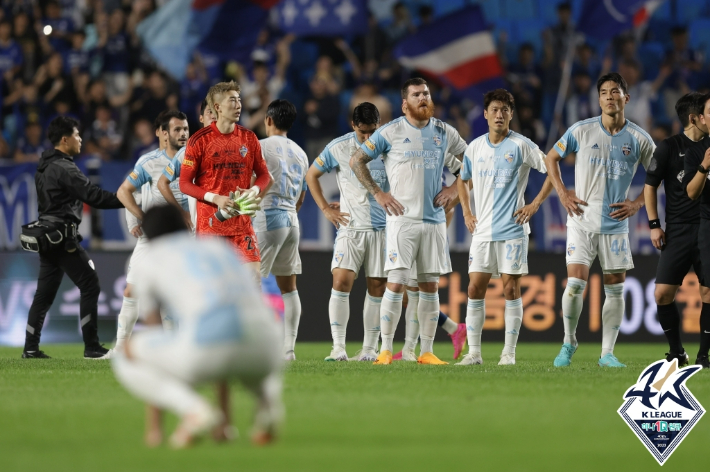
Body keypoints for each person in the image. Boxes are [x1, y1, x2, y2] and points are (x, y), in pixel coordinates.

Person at [111, 204, 283, 448]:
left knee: (129, 353)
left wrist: (154, 430)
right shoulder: (218, 248)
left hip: (211, 343)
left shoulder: (150, 259)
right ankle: (267, 406)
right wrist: (225, 424)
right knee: (240, 340)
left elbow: (154, 331)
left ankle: (194, 410)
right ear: (184, 224)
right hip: (268, 347)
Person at [350, 77, 467, 365]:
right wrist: (378, 194)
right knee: (397, 283)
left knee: (429, 286)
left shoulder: (445, 131)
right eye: (417, 94)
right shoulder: (390, 132)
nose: (424, 98)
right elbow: (356, 161)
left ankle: (426, 351)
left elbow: (475, 162)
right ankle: (386, 349)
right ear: (405, 104)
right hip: (402, 220)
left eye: (426, 93)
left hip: (434, 221)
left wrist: (454, 190)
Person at [545, 72, 655, 368]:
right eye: (604, 92)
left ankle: (607, 353)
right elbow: (550, 158)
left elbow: (660, 176)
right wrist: (563, 194)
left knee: (615, 288)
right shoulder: (581, 131)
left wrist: (636, 204)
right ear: (598, 99)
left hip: (616, 224)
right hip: (581, 219)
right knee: (575, 285)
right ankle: (569, 342)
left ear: (626, 98)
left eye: (615, 91)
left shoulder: (639, 139)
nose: (609, 96)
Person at [455, 89, 552, 366]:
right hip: (483, 231)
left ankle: (508, 354)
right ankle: (474, 354)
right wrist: (466, 212)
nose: (500, 115)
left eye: (505, 110)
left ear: (511, 114)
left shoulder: (522, 145)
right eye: (495, 110)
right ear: (485, 114)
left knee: (511, 290)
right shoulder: (474, 147)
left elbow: (551, 170)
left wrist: (534, 205)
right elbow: (463, 180)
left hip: (512, 230)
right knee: (475, 289)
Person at [23, 116, 124, 359]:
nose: (81, 140)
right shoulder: (64, 167)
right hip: (63, 239)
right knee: (90, 284)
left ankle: (30, 347)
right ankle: (92, 347)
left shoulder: (44, 166)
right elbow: (93, 195)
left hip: (47, 237)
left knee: (44, 295)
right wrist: (126, 200)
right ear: (65, 139)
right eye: (77, 135)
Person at [306, 102, 387, 362]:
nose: (368, 138)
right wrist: (326, 210)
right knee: (341, 282)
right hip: (351, 228)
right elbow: (311, 175)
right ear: (353, 126)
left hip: (384, 228)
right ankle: (338, 348)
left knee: (377, 288)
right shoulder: (339, 147)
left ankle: (369, 349)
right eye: (363, 132)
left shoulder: (390, 146)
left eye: (373, 131)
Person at [179, 81, 273, 282]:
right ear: (218, 107)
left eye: (239, 100)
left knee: (254, 280)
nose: (238, 105)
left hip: (242, 226)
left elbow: (265, 176)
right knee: (215, 289)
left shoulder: (249, 138)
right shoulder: (199, 141)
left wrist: (254, 191)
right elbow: (184, 184)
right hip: (212, 227)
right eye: (232, 100)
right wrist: (217, 199)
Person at [114, 111, 189, 352]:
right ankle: (119, 348)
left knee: (174, 296)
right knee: (131, 289)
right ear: (164, 133)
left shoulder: (194, 158)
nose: (184, 134)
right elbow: (124, 191)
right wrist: (141, 218)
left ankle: (173, 350)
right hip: (153, 238)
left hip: (185, 237)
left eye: (186, 129)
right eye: (178, 129)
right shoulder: (149, 162)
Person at [645, 93, 709, 367]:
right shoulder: (669, 147)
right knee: (662, 293)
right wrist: (655, 225)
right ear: (695, 118)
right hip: (679, 229)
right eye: (706, 113)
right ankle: (676, 351)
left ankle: (704, 356)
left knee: (708, 293)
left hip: (707, 226)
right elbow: (650, 186)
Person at [254, 99, 308, 361]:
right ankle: (289, 350)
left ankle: (253, 346)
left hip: (266, 218)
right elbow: (301, 198)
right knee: (289, 288)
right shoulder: (301, 152)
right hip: (291, 221)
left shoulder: (259, 146)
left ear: (269, 120)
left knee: (251, 283)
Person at [682, 95, 710, 369]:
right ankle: (704, 355)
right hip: (708, 226)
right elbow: (691, 192)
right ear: (701, 118)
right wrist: (705, 165)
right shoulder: (696, 152)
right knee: (708, 291)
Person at [157, 99, 216, 230]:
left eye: (217, 111)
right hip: (201, 226)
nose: (214, 116)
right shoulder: (189, 150)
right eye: (210, 112)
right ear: (201, 118)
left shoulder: (234, 147)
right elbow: (162, 183)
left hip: (229, 224)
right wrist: (182, 213)